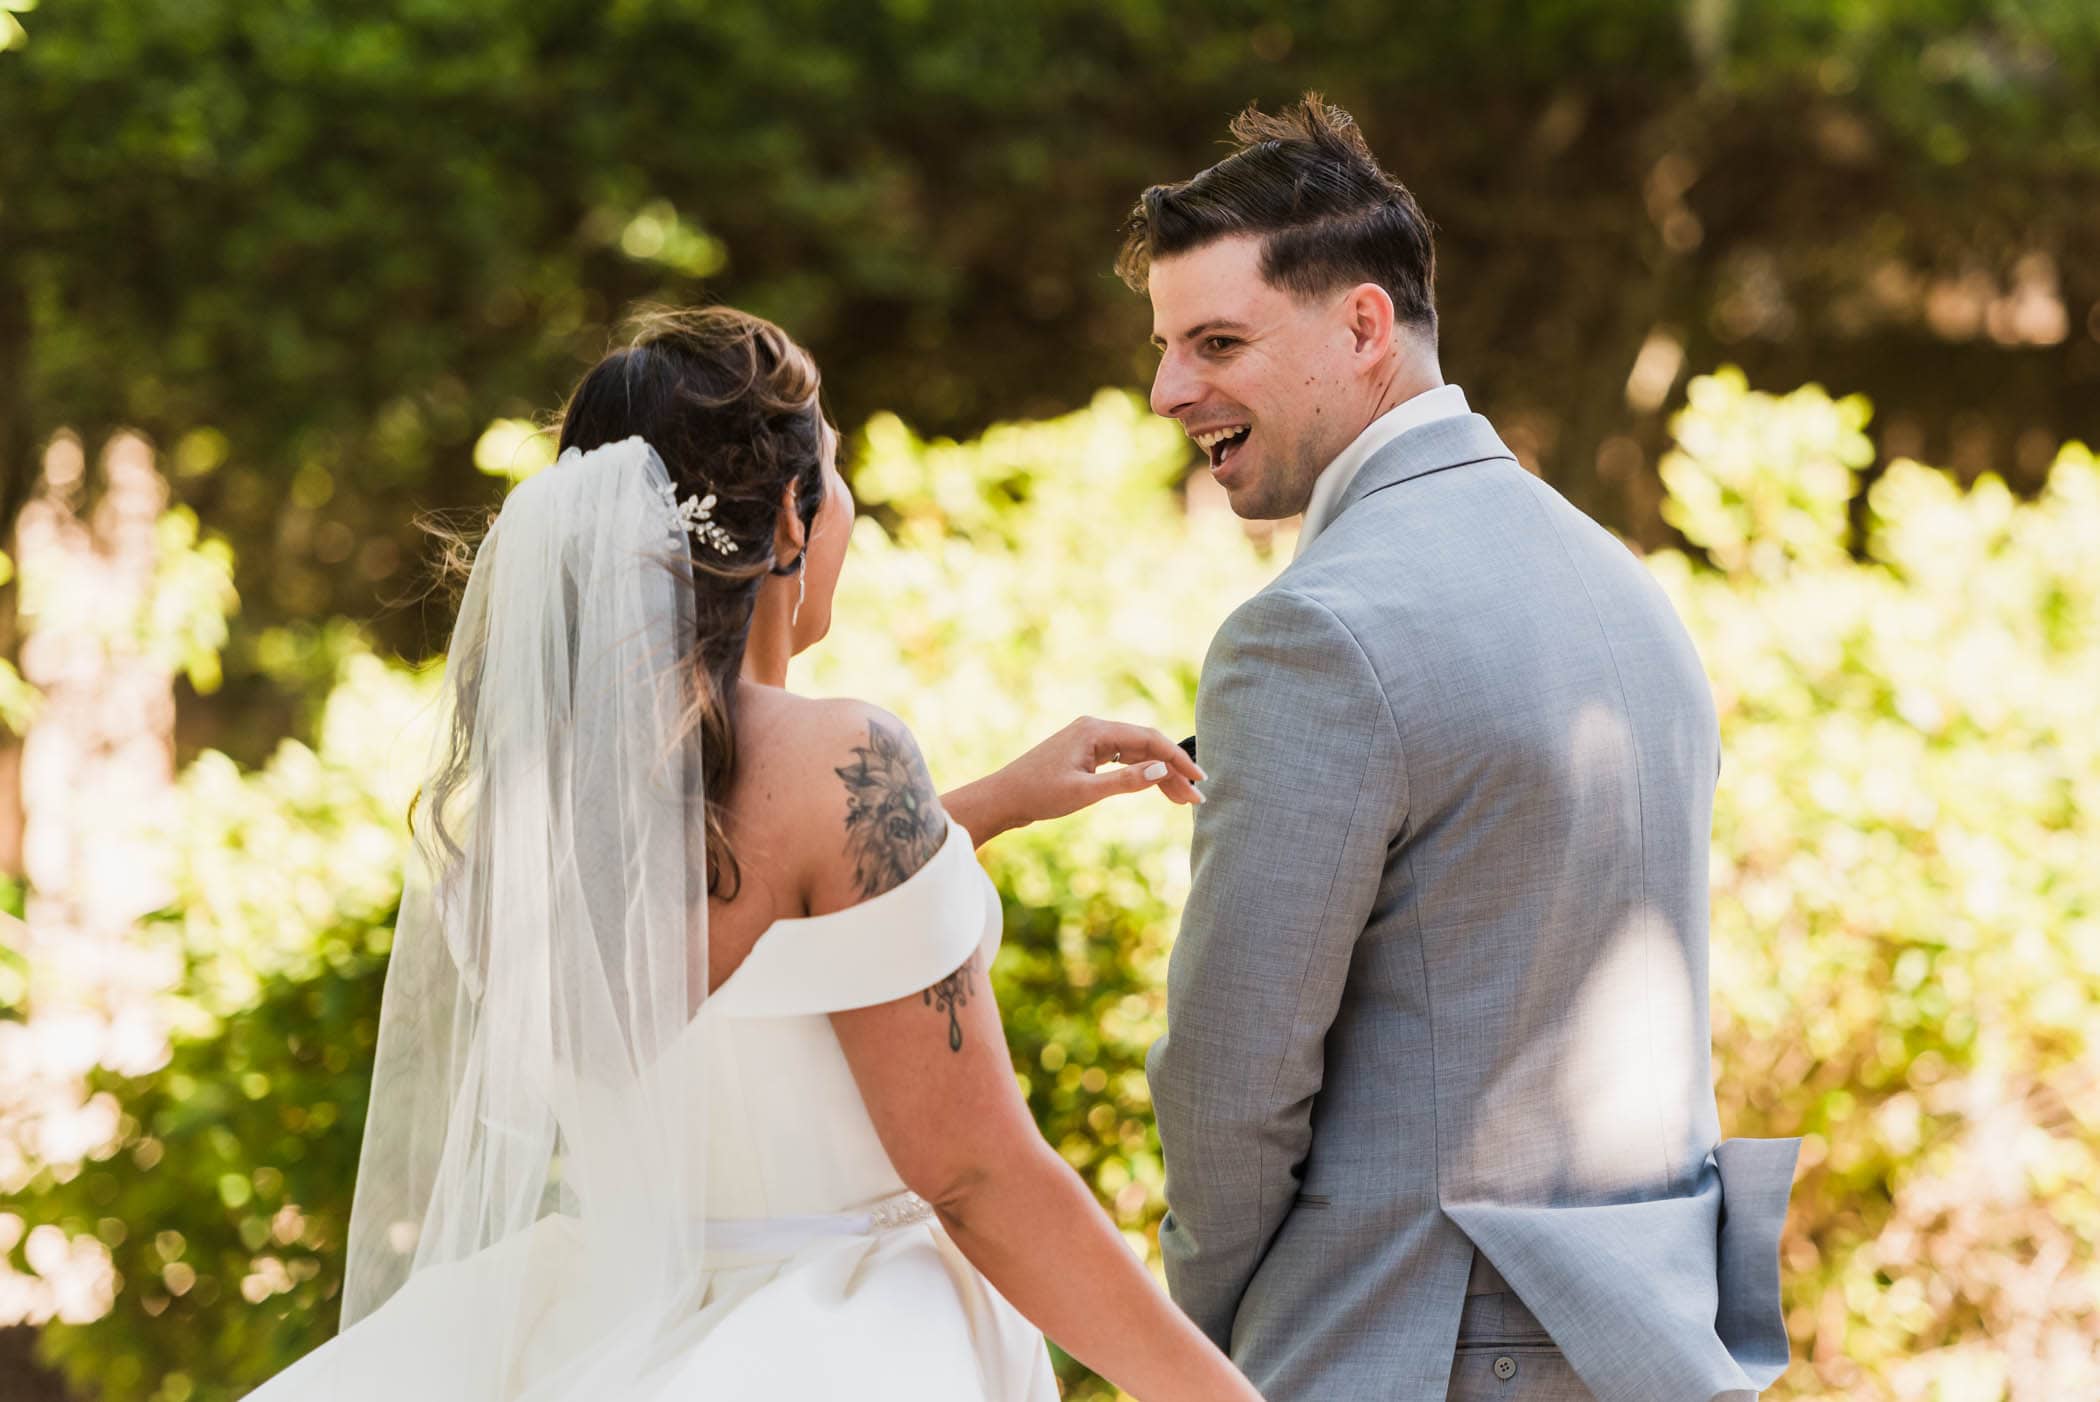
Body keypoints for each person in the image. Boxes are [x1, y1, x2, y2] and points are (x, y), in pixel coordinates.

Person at [245, 306, 1261, 1401]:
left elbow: (750, 956)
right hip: (855, 1342)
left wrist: (989, 803)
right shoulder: (843, 759)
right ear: (789, 513)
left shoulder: (522, 805)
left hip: (610, 1324)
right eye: (837, 469)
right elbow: (978, 1175)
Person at [1124, 95, 1801, 1401]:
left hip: (1416, 1341)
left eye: (1216, 340)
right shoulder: (1624, 587)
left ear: (1365, 325)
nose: (1167, 390)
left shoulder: (1311, 629)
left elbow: (1233, 1079)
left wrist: (1198, 1336)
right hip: (1646, 1336)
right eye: (1163, 346)